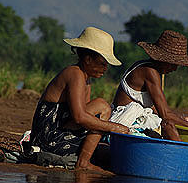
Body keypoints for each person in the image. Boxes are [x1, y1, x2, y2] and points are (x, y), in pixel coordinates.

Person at [110, 30, 188, 179]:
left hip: (133, 120)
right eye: (173, 64)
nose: (175, 68)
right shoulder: (150, 71)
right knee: (168, 126)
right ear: (163, 59)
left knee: (169, 125)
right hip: (123, 121)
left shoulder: (148, 68)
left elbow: (156, 109)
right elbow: (164, 114)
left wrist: (187, 121)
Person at [28, 26, 129, 173]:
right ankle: (83, 162)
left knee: (101, 114)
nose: (106, 68)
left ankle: (84, 160)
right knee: (102, 107)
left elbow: (82, 116)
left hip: (62, 129)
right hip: (48, 138)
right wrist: (113, 127)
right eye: (102, 63)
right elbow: (79, 117)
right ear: (88, 59)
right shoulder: (74, 74)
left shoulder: (85, 79)